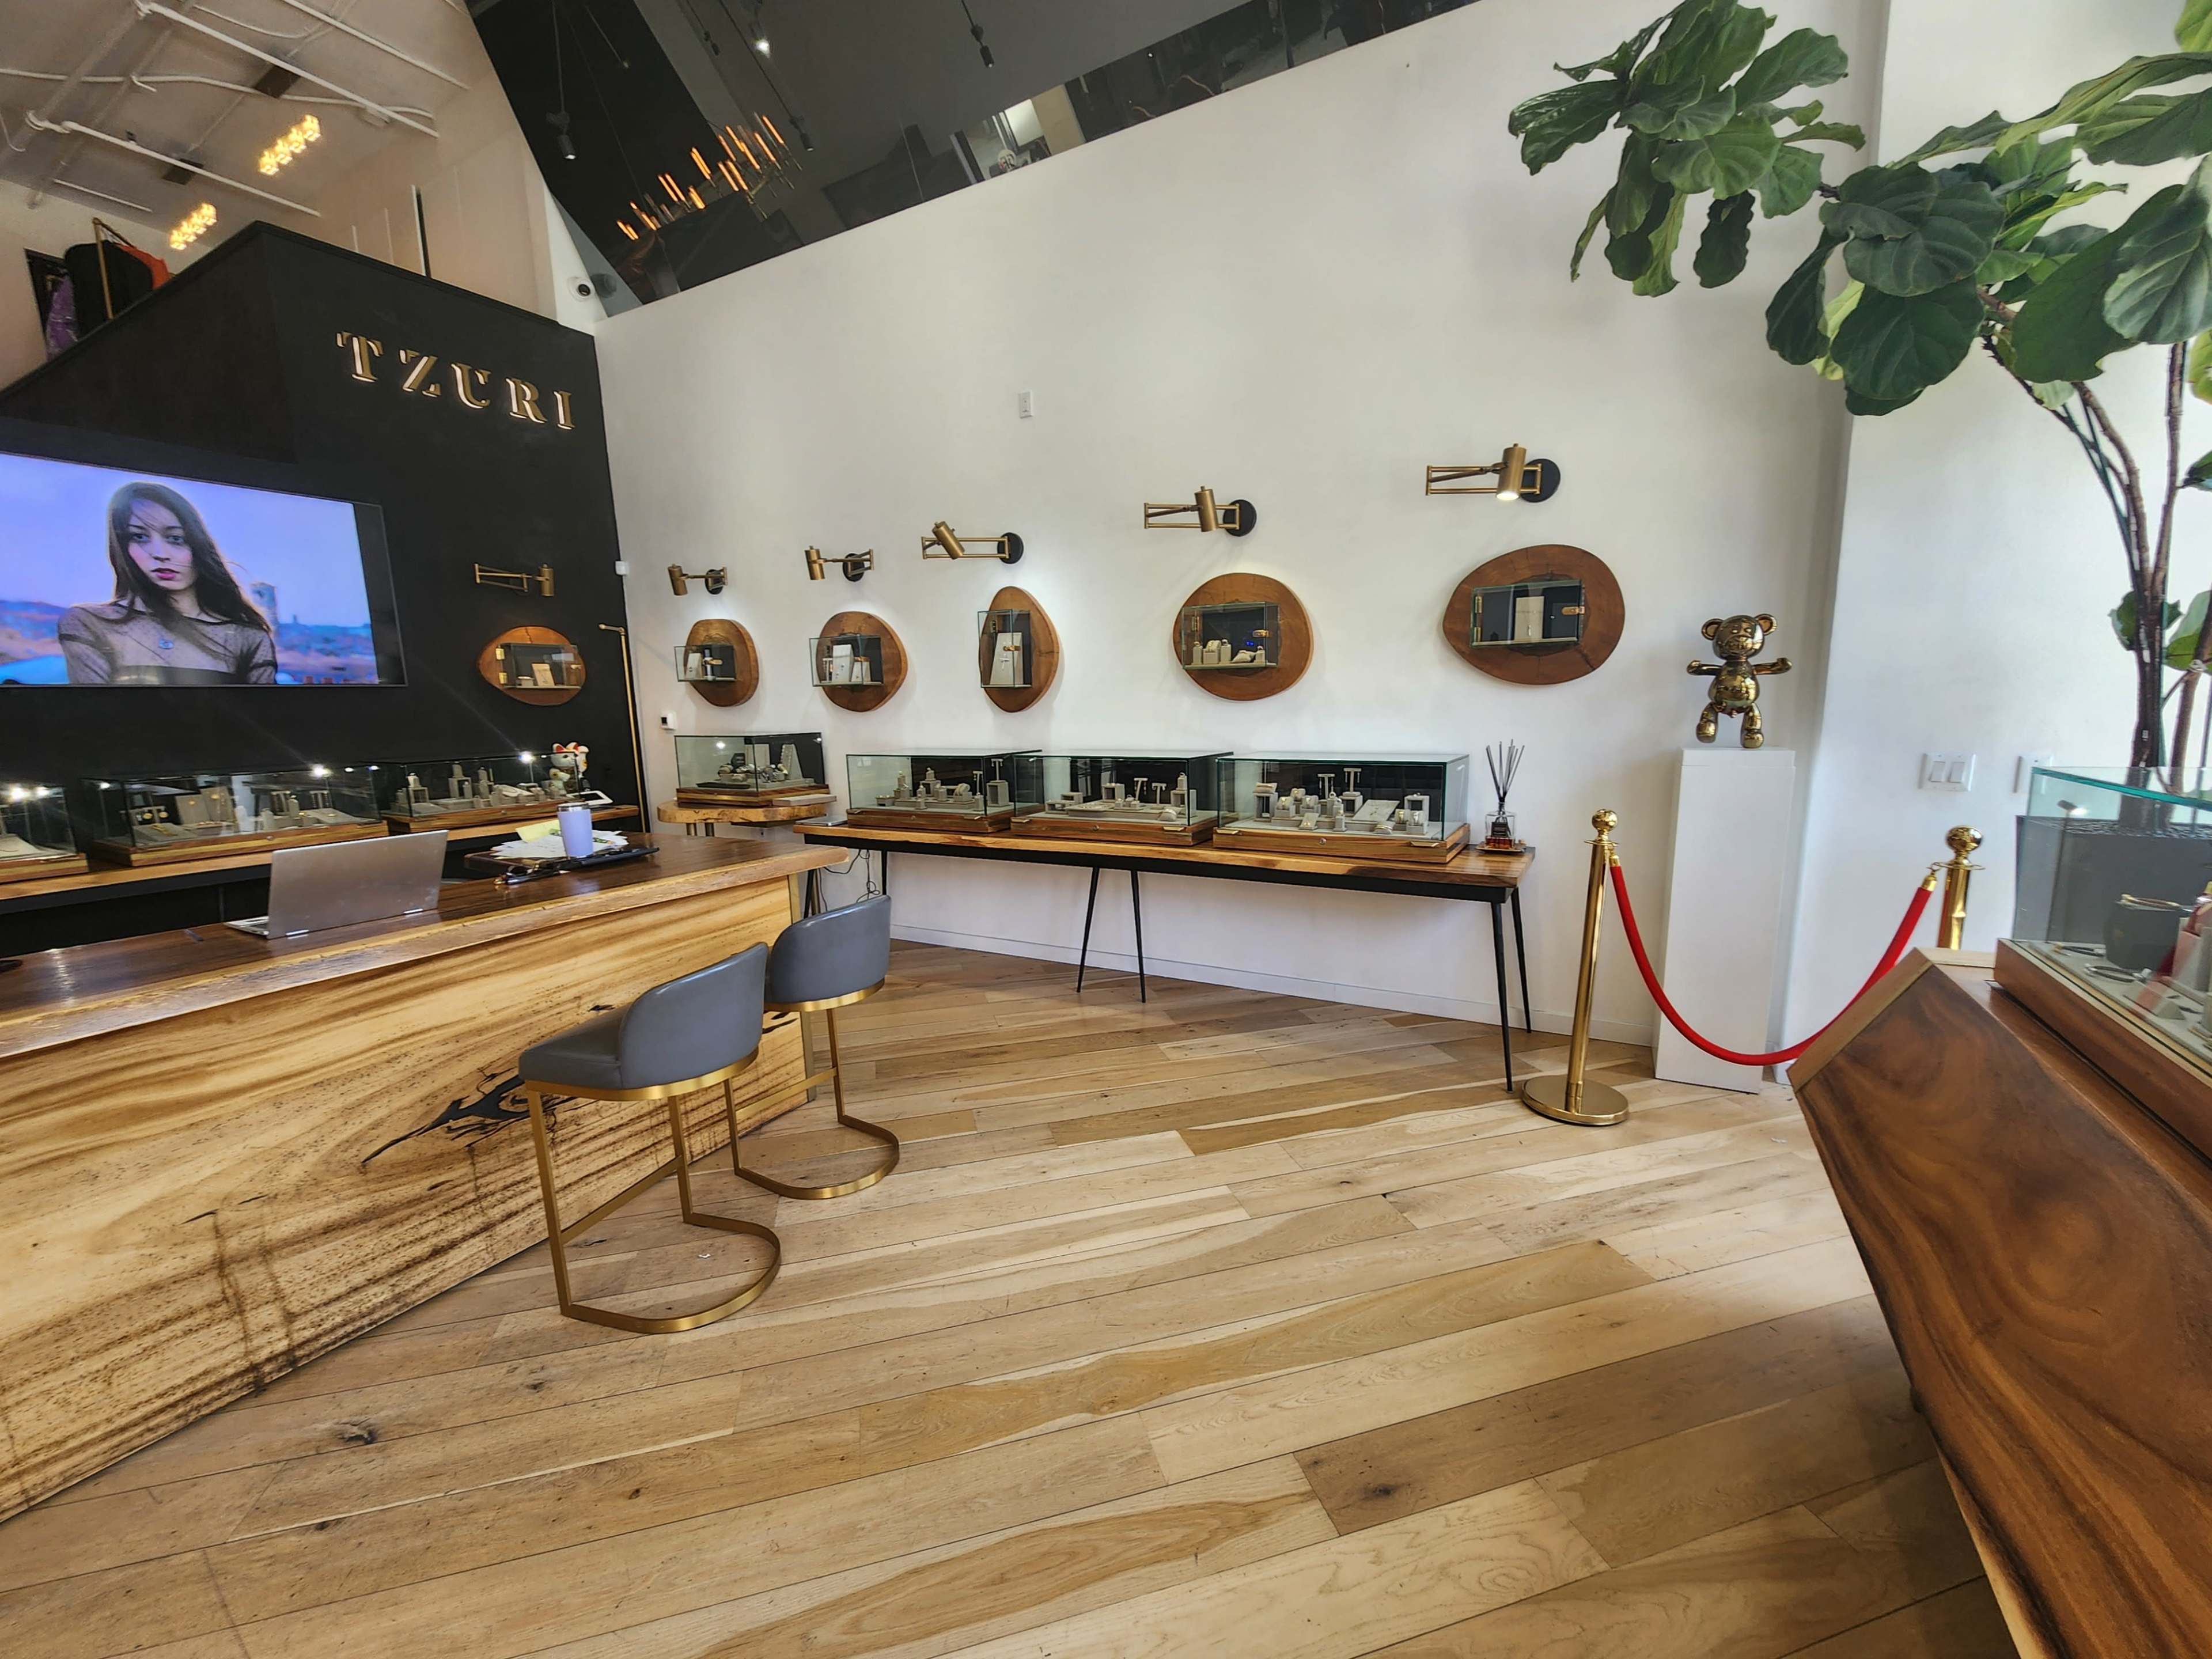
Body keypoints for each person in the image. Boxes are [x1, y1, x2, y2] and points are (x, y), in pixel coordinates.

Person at [59, 482, 277, 684]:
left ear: (197, 545)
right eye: (140, 537)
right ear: (123, 547)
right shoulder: (89, 623)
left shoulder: (247, 637)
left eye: (175, 539)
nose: (160, 554)